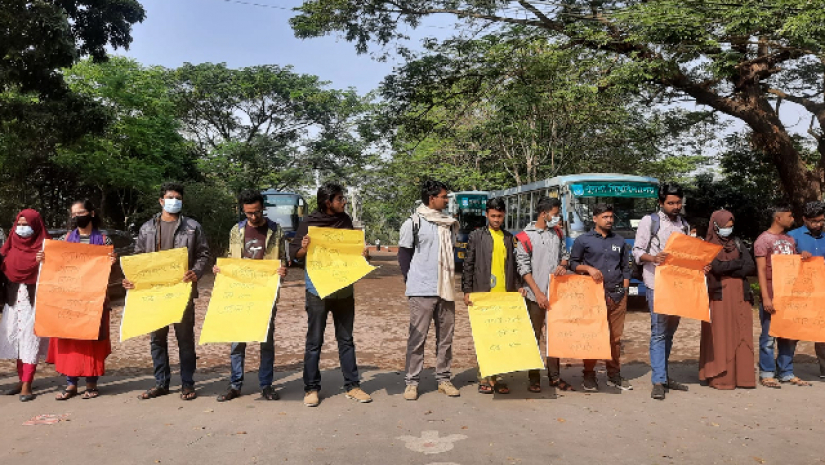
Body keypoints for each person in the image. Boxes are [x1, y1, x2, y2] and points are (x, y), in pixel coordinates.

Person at [123, 182, 210, 401]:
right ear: (161, 200)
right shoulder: (147, 228)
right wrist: (132, 280)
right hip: (155, 295)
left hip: (182, 292)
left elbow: (204, 254)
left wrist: (196, 272)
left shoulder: (192, 227)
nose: (174, 201)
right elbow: (139, 258)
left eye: (178, 198)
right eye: (170, 197)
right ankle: (161, 383)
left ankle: (187, 384)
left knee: (185, 340)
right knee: (157, 340)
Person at [290, 182, 372, 407]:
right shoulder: (309, 223)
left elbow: (353, 252)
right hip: (317, 290)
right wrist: (305, 247)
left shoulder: (345, 221)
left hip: (344, 290)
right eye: (340, 199)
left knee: (346, 340)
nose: (343, 202)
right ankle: (311, 388)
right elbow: (294, 255)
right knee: (314, 341)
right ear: (328, 202)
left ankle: (352, 386)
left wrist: (362, 253)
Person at [214, 189, 287, 402]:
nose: (253, 217)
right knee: (237, 341)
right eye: (248, 213)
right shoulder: (236, 231)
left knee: (266, 341)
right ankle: (235, 385)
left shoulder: (276, 231)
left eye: (256, 212)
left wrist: (282, 271)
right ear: (242, 211)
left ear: (263, 208)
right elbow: (230, 257)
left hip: (265, 293)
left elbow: (281, 260)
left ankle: (266, 385)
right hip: (240, 294)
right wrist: (221, 269)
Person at [40, 200, 117, 400]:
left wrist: (112, 263)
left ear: (91, 213)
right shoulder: (66, 239)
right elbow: (57, 267)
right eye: (73, 214)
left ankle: (91, 384)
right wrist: (45, 259)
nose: (76, 217)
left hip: (94, 301)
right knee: (69, 340)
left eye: (80, 212)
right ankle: (71, 384)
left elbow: (111, 273)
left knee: (91, 342)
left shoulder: (104, 240)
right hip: (69, 300)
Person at [398, 180, 460, 401]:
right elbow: (404, 255)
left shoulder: (449, 223)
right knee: (417, 337)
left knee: (446, 337)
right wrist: (411, 280)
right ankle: (412, 382)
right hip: (421, 290)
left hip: (446, 288)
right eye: (443, 196)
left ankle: (443, 379)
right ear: (432, 198)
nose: (446, 200)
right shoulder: (413, 223)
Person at [633, 182, 696, 400]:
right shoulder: (649, 221)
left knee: (670, 332)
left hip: (677, 286)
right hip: (655, 283)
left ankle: (664, 375)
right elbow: (637, 251)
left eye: (679, 202)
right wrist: (653, 258)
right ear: (661, 202)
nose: (676, 206)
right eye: (671, 202)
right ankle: (658, 381)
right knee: (659, 332)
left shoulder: (685, 225)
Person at [569, 203, 632, 391]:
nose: (609, 220)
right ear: (595, 219)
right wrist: (588, 268)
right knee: (593, 336)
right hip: (593, 297)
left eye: (611, 217)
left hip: (617, 296)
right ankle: (588, 375)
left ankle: (614, 375)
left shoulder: (620, 241)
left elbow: (626, 269)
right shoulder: (583, 240)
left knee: (615, 338)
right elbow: (573, 264)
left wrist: (624, 292)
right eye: (605, 217)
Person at [461, 197, 520, 395]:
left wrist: (518, 287)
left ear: (504, 216)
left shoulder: (508, 237)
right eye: (493, 216)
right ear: (486, 215)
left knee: (503, 338)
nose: (496, 219)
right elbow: (468, 264)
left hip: (505, 295)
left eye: (500, 216)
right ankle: (485, 377)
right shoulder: (477, 236)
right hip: (483, 294)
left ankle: (500, 378)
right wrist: (467, 290)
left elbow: (515, 266)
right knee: (485, 338)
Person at [515, 196, 572, 393]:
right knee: (534, 337)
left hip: (556, 294)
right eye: (554, 214)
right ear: (543, 214)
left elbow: (565, 255)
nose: (557, 218)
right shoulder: (524, 237)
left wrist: (563, 265)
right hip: (534, 296)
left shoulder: (558, 233)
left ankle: (555, 377)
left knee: (554, 336)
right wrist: (538, 294)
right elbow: (523, 268)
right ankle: (534, 377)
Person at [699, 209, 757, 390]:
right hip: (719, 295)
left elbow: (750, 266)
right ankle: (721, 378)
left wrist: (729, 268)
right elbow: (715, 267)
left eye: (731, 226)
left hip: (740, 295)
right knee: (721, 334)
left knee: (742, 332)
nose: (728, 230)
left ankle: (743, 378)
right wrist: (736, 266)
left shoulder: (737, 242)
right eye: (725, 226)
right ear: (716, 226)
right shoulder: (707, 245)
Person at [756, 204, 812, 388]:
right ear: (778, 218)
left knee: (788, 334)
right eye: (789, 216)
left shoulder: (790, 240)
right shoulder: (763, 240)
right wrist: (765, 297)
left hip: (789, 296)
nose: (792, 219)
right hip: (772, 293)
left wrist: (802, 257)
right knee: (769, 336)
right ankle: (767, 373)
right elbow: (761, 271)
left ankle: (786, 372)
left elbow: (793, 266)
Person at [0, 209, 50, 401]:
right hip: (13, 301)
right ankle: (21, 380)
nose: (22, 229)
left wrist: (47, 260)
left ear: (36, 226)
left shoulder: (46, 248)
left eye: (26, 225)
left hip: (34, 301)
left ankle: (27, 383)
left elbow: (59, 269)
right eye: (19, 224)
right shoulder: (9, 248)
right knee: (17, 341)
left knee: (30, 340)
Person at [788, 201, 825, 380]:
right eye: (814, 221)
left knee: (823, 332)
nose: (818, 225)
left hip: (822, 292)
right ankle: (786, 369)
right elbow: (783, 263)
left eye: (821, 221)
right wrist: (798, 258)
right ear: (804, 219)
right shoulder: (791, 237)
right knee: (794, 331)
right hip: (800, 292)